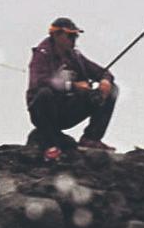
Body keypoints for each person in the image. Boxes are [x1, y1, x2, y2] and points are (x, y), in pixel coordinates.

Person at [26, 17, 119, 160]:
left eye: (75, 36)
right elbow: (39, 82)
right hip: (45, 112)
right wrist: (72, 86)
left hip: (68, 109)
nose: (73, 39)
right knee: (45, 93)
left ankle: (91, 139)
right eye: (70, 35)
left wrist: (105, 81)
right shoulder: (42, 54)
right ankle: (51, 145)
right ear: (56, 35)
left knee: (111, 90)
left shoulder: (75, 56)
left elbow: (101, 72)